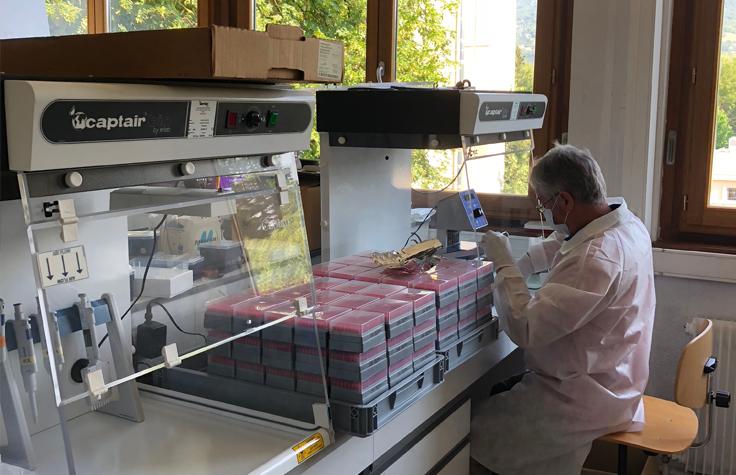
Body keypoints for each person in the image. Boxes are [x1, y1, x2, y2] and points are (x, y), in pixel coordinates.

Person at [470, 144, 656, 475]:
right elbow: (567, 242)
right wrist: (524, 264)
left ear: (566, 201)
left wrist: (503, 265)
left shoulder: (595, 258)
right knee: (496, 403)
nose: (545, 213)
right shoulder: (626, 225)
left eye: (544, 204)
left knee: (470, 438)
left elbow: (527, 328)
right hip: (615, 377)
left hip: (580, 396)